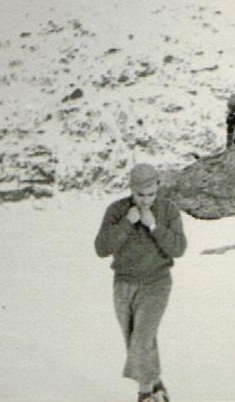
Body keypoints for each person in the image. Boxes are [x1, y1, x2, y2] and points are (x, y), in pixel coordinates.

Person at [95, 164, 188, 402]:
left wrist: (154, 226)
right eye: (140, 195)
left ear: (158, 187)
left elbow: (178, 248)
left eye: (151, 195)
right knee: (134, 340)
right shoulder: (116, 210)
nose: (146, 200)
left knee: (142, 340)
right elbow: (101, 248)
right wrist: (126, 222)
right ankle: (156, 385)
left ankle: (145, 394)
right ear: (131, 190)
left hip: (156, 283)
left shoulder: (168, 210)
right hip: (124, 284)